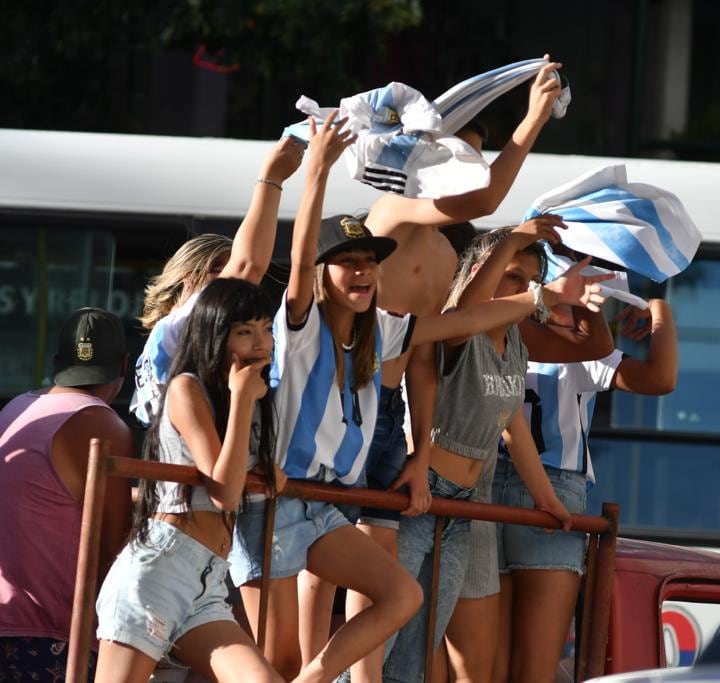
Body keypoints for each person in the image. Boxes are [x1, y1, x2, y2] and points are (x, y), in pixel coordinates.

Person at [228, 111, 610, 683]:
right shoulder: (343, 268)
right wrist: (312, 176)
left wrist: (539, 300)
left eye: (367, 264)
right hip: (291, 466)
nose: (361, 274)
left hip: (359, 456)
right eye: (348, 264)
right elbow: (305, 260)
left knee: (393, 593)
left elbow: (445, 340)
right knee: (285, 639)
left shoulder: (412, 295)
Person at [336, 59, 569, 683]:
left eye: (474, 160)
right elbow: (490, 198)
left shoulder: (443, 252)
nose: (465, 178)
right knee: (337, 600)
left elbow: (427, 355)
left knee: (406, 623)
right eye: (457, 161)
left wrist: (419, 446)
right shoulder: (390, 211)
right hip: (335, 406)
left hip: (392, 423)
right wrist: (534, 119)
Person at [382, 223, 611, 683]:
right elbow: (467, 309)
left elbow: (515, 428)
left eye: (526, 281)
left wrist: (548, 500)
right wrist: (510, 241)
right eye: (510, 276)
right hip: (422, 496)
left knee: (418, 644)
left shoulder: (516, 344)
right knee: (381, 636)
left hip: (463, 507)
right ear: (478, 273)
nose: (521, 289)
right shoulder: (459, 328)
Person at [92, 279, 283, 682]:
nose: (261, 342)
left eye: (267, 328)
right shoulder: (186, 388)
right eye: (245, 332)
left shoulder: (244, 399)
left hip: (208, 580)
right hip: (160, 569)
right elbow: (225, 492)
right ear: (215, 335)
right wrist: (244, 399)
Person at [489, 299, 678, 683]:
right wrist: (660, 309)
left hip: (483, 486)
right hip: (553, 492)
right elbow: (661, 379)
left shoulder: (491, 335)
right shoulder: (580, 352)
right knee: (534, 668)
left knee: (489, 664)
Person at [132, 136, 305, 425]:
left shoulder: (165, 338)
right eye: (218, 272)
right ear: (187, 277)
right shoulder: (175, 327)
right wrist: (272, 178)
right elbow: (248, 266)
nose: (231, 286)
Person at [0, 308, 133, 681]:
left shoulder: (15, 408)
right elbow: (113, 552)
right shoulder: (104, 425)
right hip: (50, 637)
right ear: (125, 366)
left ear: (58, 363)